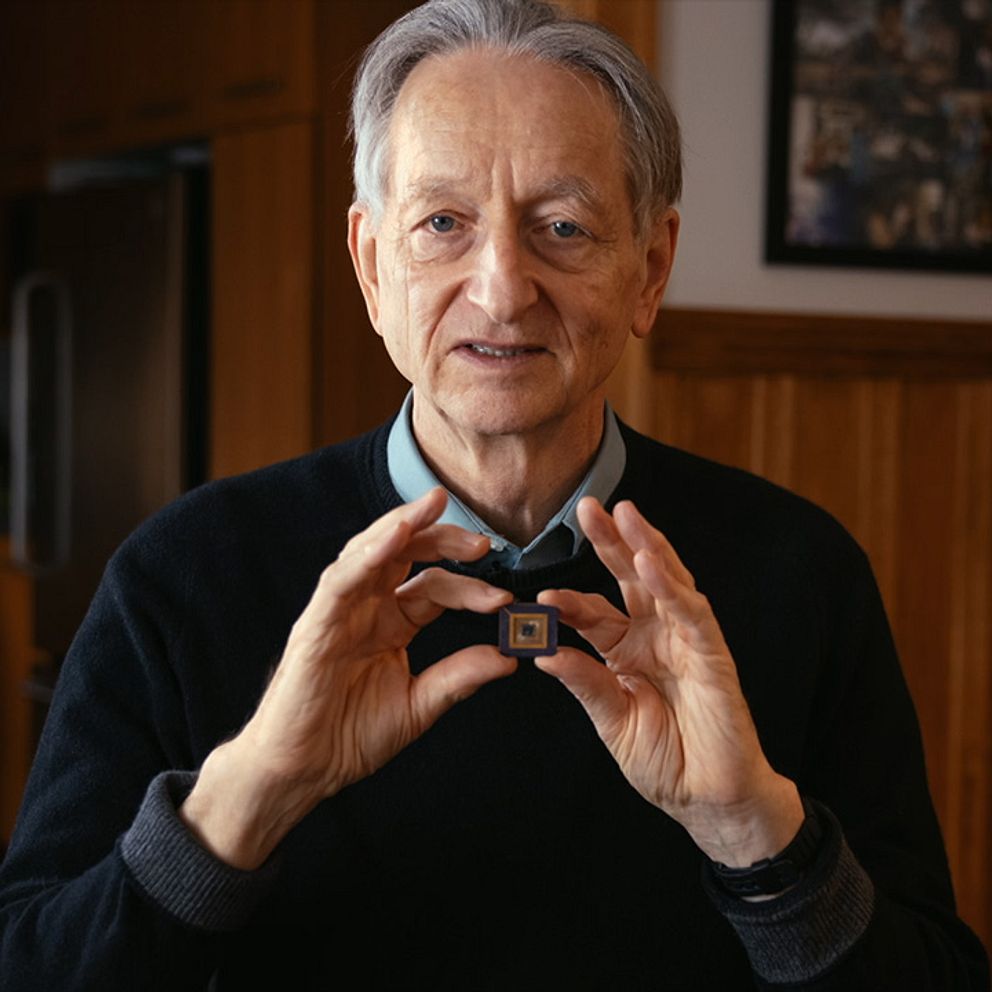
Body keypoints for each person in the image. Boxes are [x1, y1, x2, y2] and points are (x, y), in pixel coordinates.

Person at [0, 1, 989, 988]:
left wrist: (755, 836)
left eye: (562, 227)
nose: (503, 288)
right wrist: (252, 792)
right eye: (442, 224)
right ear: (371, 266)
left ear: (648, 271)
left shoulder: (800, 571)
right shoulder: (184, 572)